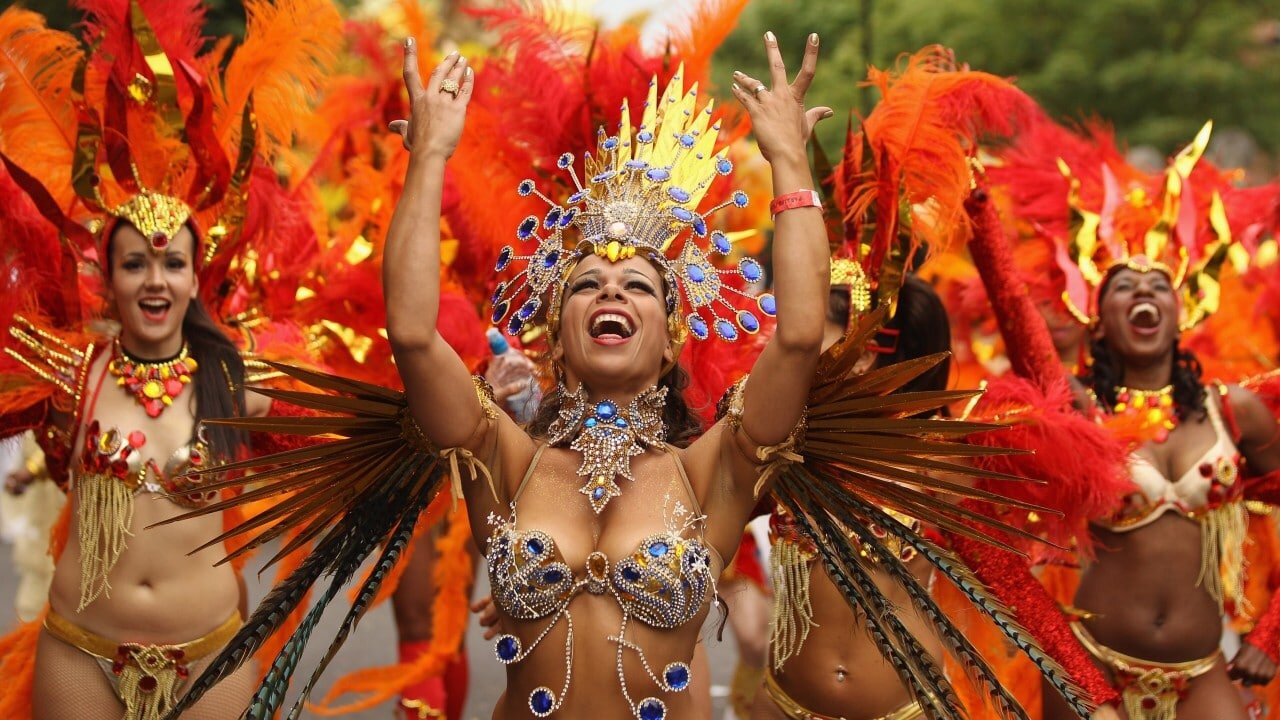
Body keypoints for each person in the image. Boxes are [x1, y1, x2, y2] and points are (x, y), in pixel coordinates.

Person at [0, 2, 339, 718]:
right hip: (80, 652)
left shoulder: (240, 380)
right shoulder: (69, 372)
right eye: (135, 265)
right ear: (110, 278)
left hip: (209, 654)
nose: (155, 280)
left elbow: (358, 433)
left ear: (194, 277)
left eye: (171, 264)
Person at [973, 117, 1280, 720]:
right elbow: (1015, 313)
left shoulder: (1233, 411)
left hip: (1201, 671)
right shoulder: (1081, 408)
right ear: (1098, 319)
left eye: (1157, 286)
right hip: (1092, 664)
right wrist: (979, 210)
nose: (1143, 293)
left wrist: (1270, 631)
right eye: (1123, 287)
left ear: (1180, 309)